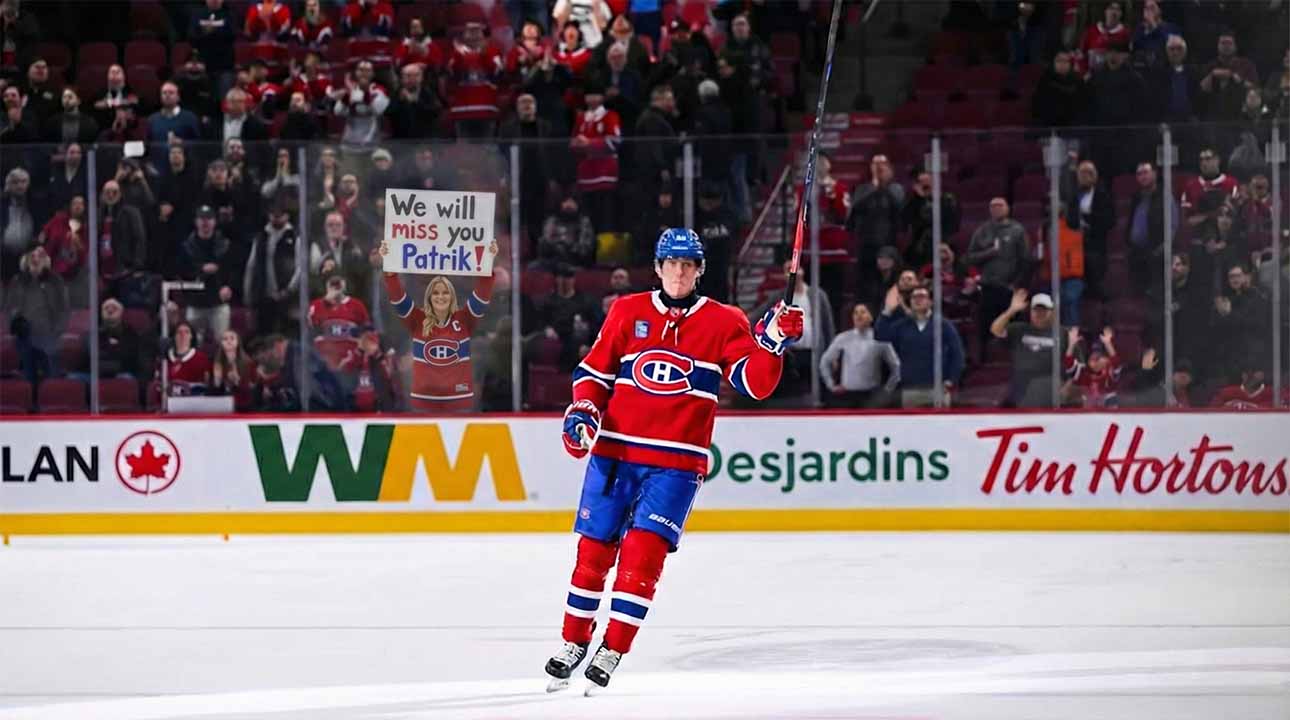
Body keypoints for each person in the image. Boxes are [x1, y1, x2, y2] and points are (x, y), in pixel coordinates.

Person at [545, 228, 803, 690]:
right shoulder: (627, 311)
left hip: (677, 466)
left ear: (699, 270)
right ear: (658, 266)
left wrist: (774, 343)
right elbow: (594, 372)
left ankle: (612, 648)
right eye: (672, 263)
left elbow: (754, 383)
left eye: (688, 264)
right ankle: (573, 641)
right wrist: (583, 408)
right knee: (592, 554)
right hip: (615, 455)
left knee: (643, 559)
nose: (679, 272)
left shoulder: (725, 321)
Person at [378, 240, 498, 411]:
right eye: (435, 292)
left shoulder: (464, 319)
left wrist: (488, 263)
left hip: (459, 401)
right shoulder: (417, 320)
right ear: (429, 297)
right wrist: (390, 273)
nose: (440, 297)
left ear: (452, 297)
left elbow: (482, 295)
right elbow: (398, 299)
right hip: (423, 402)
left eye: (445, 293)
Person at [874, 283, 964, 408]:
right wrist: (887, 310)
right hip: (910, 389)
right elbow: (880, 335)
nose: (917, 300)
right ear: (909, 302)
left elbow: (957, 354)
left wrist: (950, 380)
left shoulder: (943, 325)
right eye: (914, 297)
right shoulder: (902, 325)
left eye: (922, 296)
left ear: (930, 302)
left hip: (937, 389)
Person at [990, 289, 1065, 408]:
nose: (1039, 313)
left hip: (1049, 392)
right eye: (1036, 310)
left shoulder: (1062, 333)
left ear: (1052, 312)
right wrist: (1011, 310)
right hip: (1020, 391)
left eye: (1044, 310)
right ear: (1030, 312)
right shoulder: (1019, 329)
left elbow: (1073, 365)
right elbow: (995, 330)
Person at [820, 302, 899, 408]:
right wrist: (831, 385)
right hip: (847, 396)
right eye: (856, 313)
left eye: (863, 312)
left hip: (872, 397)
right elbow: (824, 362)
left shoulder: (881, 338)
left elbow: (896, 366)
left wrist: (887, 390)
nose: (859, 316)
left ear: (871, 317)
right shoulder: (843, 338)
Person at [1063, 326, 1123, 407]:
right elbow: (1068, 362)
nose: (1096, 362)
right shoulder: (1082, 371)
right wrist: (1071, 344)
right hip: (1088, 415)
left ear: (1106, 359)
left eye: (1098, 358)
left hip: (1108, 414)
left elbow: (1116, 362)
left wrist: (1108, 344)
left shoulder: (1110, 370)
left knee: (1111, 397)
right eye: (1092, 359)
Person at [210, 328, 254, 410]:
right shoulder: (216, 363)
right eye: (225, 339)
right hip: (221, 407)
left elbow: (251, 390)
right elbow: (212, 391)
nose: (228, 341)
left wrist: (237, 381)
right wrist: (217, 381)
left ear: (238, 342)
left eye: (232, 338)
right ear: (221, 343)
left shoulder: (248, 363)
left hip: (243, 407)